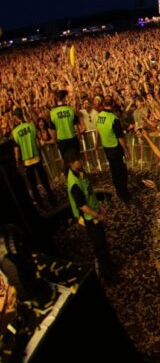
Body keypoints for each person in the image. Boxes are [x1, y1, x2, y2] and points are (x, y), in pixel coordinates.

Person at [64, 148, 114, 281]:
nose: (80, 161)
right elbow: (82, 206)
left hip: (94, 211)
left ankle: (108, 266)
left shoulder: (79, 172)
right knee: (100, 246)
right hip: (90, 218)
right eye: (77, 160)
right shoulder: (73, 183)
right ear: (71, 163)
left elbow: (89, 192)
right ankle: (107, 274)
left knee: (102, 242)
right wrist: (97, 215)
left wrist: (99, 206)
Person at [11, 108, 56, 209]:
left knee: (33, 185)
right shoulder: (31, 126)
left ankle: (41, 206)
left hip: (27, 161)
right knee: (45, 181)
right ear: (22, 115)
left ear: (15, 117)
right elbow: (38, 142)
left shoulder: (15, 132)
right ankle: (53, 201)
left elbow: (16, 149)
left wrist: (17, 161)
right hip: (37, 158)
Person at [95, 98, 131, 203]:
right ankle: (123, 193)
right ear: (113, 104)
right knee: (121, 171)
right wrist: (126, 150)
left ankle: (118, 189)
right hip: (115, 148)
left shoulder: (100, 116)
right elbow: (120, 137)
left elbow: (98, 130)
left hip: (106, 148)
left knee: (114, 170)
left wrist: (96, 143)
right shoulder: (113, 118)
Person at [50, 90, 79, 158]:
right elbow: (76, 126)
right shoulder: (71, 110)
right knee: (76, 158)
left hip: (61, 141)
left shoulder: (52, 113)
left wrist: (56, 141)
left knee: (66, 160)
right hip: (72, 139)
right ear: (64, 98)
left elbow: (53, 130)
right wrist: (79, 137)